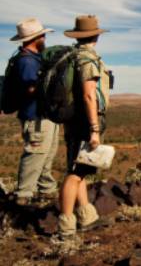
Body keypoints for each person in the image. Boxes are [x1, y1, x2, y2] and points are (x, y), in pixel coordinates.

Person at [57, 15, 111, 238]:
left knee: (80, 170)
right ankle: (66, 226)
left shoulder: (72, 56)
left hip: (73, 121)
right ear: (96, 35)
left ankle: (87, 216)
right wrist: (94, 129)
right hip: (84, 123)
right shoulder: (87, 60)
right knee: (75, 174)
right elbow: (89, 96)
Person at [9, 18, 59, 207]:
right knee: (35, 154)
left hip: (44, 115)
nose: (45, 38)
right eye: (42, 35)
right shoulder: (27, 61)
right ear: (35, 37)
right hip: (35, 116)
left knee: (46, 156)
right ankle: (23, 196)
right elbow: (30, 89)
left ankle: (46, 191)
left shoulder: (33, 59)